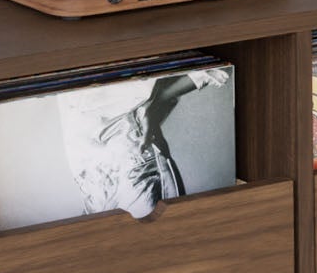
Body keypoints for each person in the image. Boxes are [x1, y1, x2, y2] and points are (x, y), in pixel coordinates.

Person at [60, 66, 228, 219]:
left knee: (156, 243)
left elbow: (214, 68)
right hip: (93, 179)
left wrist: (148, 106)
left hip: (130, 165)